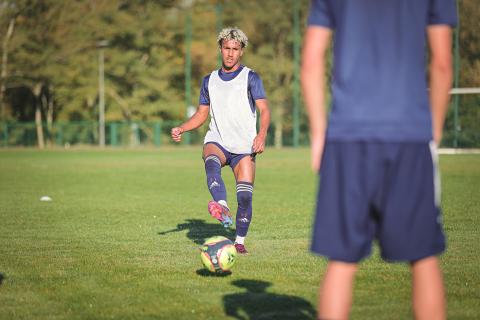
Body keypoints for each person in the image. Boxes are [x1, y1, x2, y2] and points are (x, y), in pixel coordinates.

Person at [301, 0, 457, 319]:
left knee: (342, 261)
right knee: (424, 258)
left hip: (347, 138)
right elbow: (442, 63)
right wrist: (433, 132)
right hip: (409, 136)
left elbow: (311, 63)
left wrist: (319, 135)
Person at [171, 27, 270, 254]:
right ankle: (222, 206)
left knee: (245, 197)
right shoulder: (210, 81)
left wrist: (261, 135)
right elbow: (201, 114)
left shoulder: (251, 78)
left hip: (244, 145)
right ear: (220, 48)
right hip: (218, 138)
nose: (230, 53)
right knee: (211, 159)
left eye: (235, 49)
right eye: (227, 48)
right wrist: (182, 128)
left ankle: (239, 242)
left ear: (241, 51)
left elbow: (264, 110)